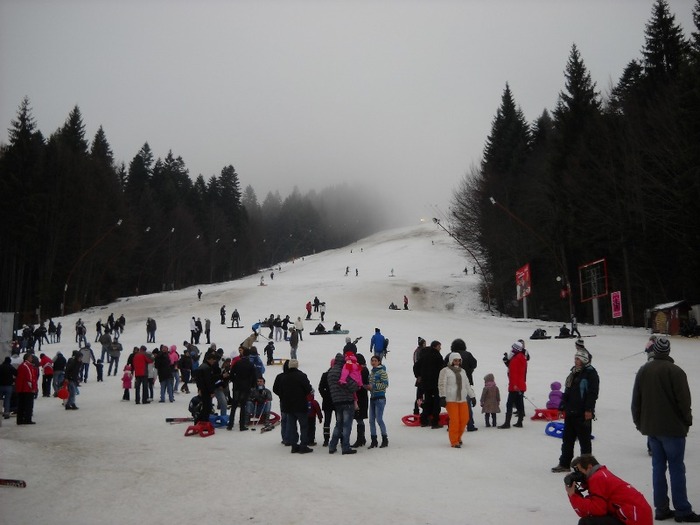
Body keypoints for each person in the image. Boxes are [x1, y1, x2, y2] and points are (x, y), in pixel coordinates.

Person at [631, 337, 698, 522]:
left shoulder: (644, 371)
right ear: (668, 352)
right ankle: (682, 510)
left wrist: (640, 423)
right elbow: (684, 401)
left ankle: (661, 509)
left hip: (651, 428)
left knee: (658, 469)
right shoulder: (675, 372)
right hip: (673, 429)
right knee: (676, 469)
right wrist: (687, 421)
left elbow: (636, 401)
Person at [552, 342, 599, 473]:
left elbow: (592, 393)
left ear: (584, 360)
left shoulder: (591, 374)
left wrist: (589, 409)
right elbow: (568, 391)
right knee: (567, 439)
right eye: (575, 358)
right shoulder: (573, 373)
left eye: (578, 359)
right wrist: (562, 405)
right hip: (570, 411)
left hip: (582, 412)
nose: (575, 361)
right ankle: (564, 463)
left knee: (584, 441)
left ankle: (587, 467)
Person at [565, 454, 652, 525]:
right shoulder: (602, 475)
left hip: (633, 519)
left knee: (586, 523)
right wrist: (575, 494)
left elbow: (597, 510)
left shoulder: (598, 478)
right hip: (636, 517)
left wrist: (573, 496)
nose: (578, 476)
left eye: (579, 471)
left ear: (590, 467)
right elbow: (587, 511)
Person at [273, 359, 314, 454]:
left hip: (288, 405)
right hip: (300, 404)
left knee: (292, 426)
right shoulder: (302, 376)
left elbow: (279, 390)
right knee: (303, 426)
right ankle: (303, 446)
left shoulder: (283, 377)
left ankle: (294, 446)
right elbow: (308, 389)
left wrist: (283, 397)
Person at [438, 352, 475, 448]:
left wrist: (472, 396)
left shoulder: (463, 371)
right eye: (455, 360)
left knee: (464, 418)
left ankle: (458, 437)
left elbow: (467, 384)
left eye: (459, 360)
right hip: (451, 399)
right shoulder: (445, 371)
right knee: (454, 420)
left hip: (462, 399)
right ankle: (454, 441)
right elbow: (442, 384)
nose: (457, 362)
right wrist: (442, 396)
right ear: (451, 360)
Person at [327, 353, 360, 455]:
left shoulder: (330, 372)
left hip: (336, 401)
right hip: (347, 401)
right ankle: (345, 447)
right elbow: (351, 385)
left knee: (338, 424)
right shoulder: (343, 371)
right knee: (347, 425)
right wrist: (357, 385)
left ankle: (332, 446)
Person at [446, 338, 478, 431]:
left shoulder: (449, 356)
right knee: (467, 405)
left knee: (452, 406)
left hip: (451, 385)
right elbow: (474, 364)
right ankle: (470, 424)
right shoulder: (468, 355)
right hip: (465, 383)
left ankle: (451, 425)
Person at [414, 340, 445, 428]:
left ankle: (424, 420)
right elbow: (442, 369)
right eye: (439, 346)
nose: (440, 348)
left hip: (426, 383)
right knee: (436, 402)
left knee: (427, 400)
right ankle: (435, 421)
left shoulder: (424, 355)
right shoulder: (438, 356)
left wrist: (418, 376)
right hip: (435, 383)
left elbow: (416, 366)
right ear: (435, 347)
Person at [498, 341, 528, 429]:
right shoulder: (522, 357)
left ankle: (507, 423)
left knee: (509, 404)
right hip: (521, 385)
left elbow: (514, 373)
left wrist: (514, 385)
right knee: (519, 403)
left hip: (515, 386)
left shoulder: (516, 359)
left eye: (513, 348)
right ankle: (520, 422)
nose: (512, 350)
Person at [368, 354, 389, 449]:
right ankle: (374, 440)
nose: (373, 362)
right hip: (372, 398)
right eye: (372, 361)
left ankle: (385, 438)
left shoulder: (382, 372)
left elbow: (385, 384)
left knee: (379, 419)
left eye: (375, 361)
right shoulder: (371, 373)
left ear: (379, 362)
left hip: (380, 398)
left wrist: (374, 387)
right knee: (371, 420)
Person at [193, 352, 219, 422]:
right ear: (210, 359)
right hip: (206, 391)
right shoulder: (207, 368)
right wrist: (211, 391)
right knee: (207, 408)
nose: (214, 362)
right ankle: (203, 422)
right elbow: (208, 381)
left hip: (203, 389)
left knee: (205, 407)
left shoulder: (203, 366)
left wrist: (200, 389)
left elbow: (200, 380)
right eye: (213, 360)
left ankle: (199, 421)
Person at [15, 353, 38, 424]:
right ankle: (27, 419)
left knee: (21, 405)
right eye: (31, 358)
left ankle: (20, 419)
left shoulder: (23, 365)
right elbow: (30, 378)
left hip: (22, 389)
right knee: (28, 405)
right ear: (27, 358)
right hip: (27, 389)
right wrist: (33, 388)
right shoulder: (27, 366)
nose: (32, 359)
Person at [412, 337, 427, 415]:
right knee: (420, 394)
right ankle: (417, 410)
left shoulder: (419, 351)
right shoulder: (420, 351)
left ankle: (417, 409)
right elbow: (416, 363)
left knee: (420, 395)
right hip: (421, 376)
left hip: (420, 376)